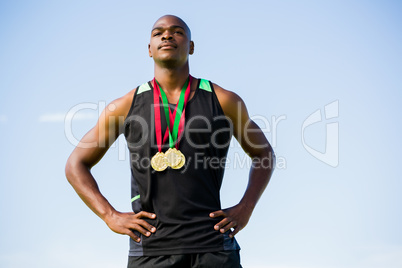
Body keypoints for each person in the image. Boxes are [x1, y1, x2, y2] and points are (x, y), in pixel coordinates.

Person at [65, 14, 275, 268]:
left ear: (191, 46)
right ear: (149, 50)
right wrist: (109, 215)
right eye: (158, 33)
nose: (167, 35)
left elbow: (263, 154)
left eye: (177, 31)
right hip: (151, 251)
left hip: (213, 247)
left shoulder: (224, 100)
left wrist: (246, 207)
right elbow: (75, 163)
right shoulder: (123, 107)